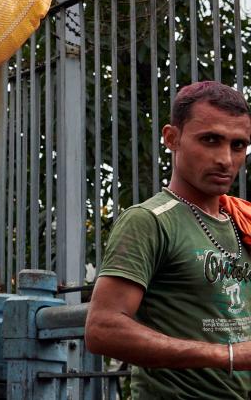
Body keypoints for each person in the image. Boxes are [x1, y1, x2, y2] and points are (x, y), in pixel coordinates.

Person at [85, 81, 251, 398]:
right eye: (210, 140)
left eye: (238, 145)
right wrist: (228, 356)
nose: (226, 160)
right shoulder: (150, 221)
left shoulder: (242, 221)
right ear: (172, 138)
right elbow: (102, 329)